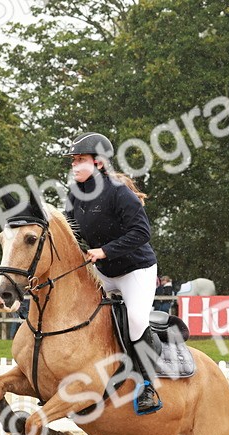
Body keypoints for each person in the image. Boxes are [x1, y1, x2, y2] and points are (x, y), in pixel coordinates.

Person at [63, 132, 162, 415]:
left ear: (100, 163)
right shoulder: (75, 193)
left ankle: (147, 385)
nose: (75, 165)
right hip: (103, 271)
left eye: (80, 160)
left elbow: (142, 233)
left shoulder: (119, 191)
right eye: (74, 160)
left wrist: (104, 251)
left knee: (135, 318)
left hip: (135, 270)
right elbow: (74, 233)